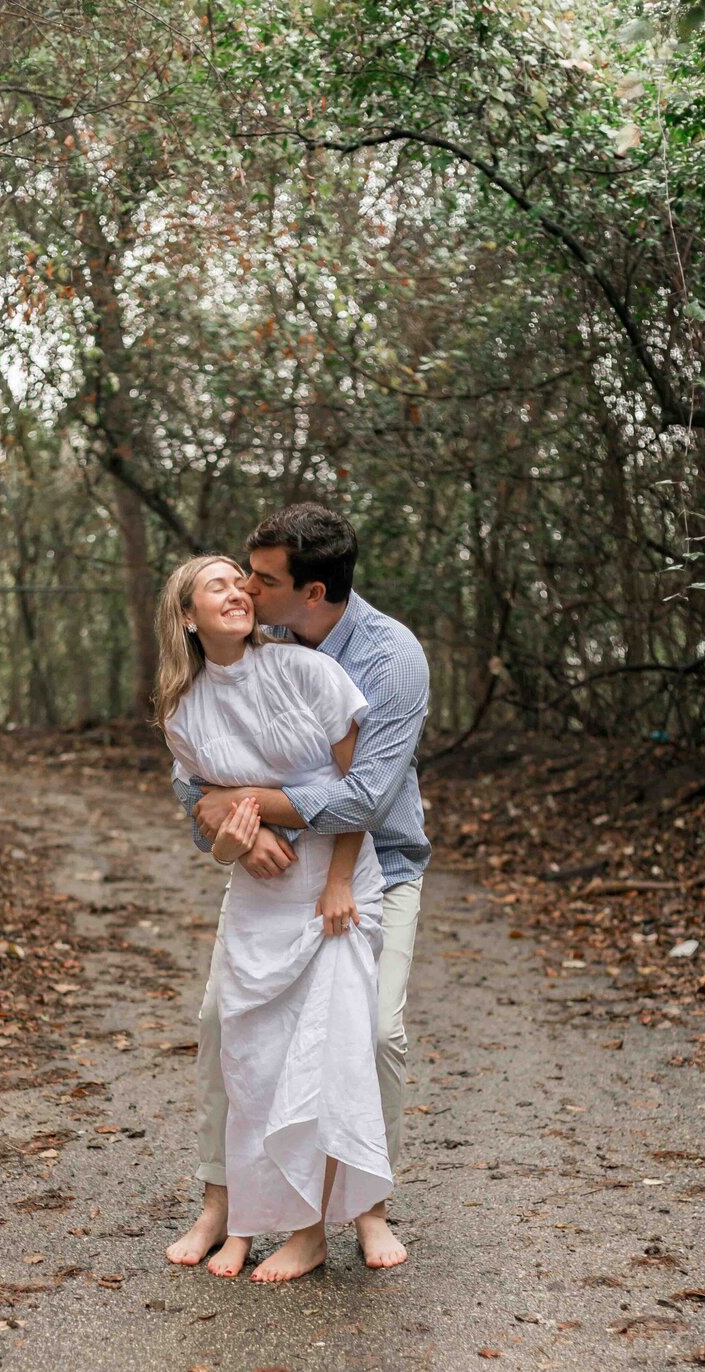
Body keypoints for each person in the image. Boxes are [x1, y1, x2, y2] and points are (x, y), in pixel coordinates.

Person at [167, 504, 431, 1272]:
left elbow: (364, 799)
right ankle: (225, 1199)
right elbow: (198, 798)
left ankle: (366, 1206)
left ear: (310, 593)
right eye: (238, 576)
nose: (245, 585)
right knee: (224, 1024)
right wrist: (233, 833)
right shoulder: (255, 641)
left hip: (380, 861)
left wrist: (238, 802)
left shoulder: (389, 658)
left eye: (261, 577)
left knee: (374, 1033)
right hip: (273, 872)